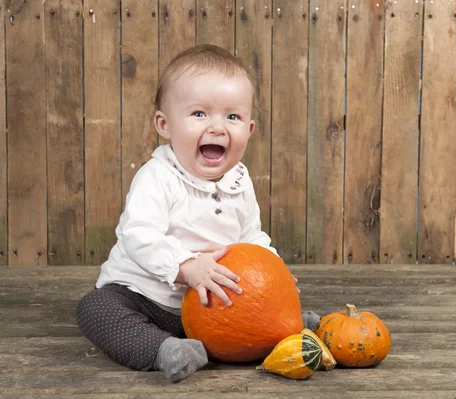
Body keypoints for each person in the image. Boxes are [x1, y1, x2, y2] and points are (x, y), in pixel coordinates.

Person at [76, 44, 320, 382]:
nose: (218, 127)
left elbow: (250, 238)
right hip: (146, 296)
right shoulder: (158, 176)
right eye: (199, 114)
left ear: (248, 130)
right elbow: (138, 234)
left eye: (232, 116)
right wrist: (185, 266)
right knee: (95, 309)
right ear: (165, 124)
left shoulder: (239, 179)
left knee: (243, 308)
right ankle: (161, 349)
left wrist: (273, 272)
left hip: (209, 305)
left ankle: (285, 324)